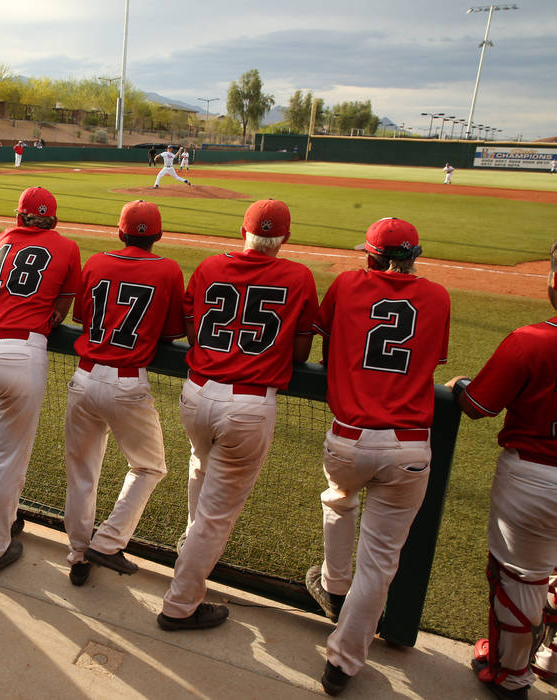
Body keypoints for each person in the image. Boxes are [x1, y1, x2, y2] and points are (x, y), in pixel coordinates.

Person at [157, 199, 318, 632]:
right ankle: (180, 606)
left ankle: (190, 548)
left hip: (196, 393)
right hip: (247, 405)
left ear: (242, 230)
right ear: (284, 237)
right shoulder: (299, 276)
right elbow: (302, 351)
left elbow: (193, 330)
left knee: (199, 467)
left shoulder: (209, 266)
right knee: (217, 515)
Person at [304, 217, 450, 696]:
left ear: (369, 256)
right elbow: (429, 360)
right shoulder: (438, 296)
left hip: (349, 439)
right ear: (415, 256)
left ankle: (334, 585)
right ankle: (342, 663)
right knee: (381, 562)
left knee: (338, 499)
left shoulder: (347, 284)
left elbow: (326, 349)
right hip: (409, 446)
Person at [448, 240, 557, 700]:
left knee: (520, 577)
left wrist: (458, 387)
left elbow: (477, 405)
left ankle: (511, 676)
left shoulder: (532, 340)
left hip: (534, 477)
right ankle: (551, 658)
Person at [0, 187, 82, 577]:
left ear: (19, 217)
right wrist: (50, 319)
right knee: (7, 459)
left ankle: (7, 518)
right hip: (19, 353)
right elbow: (64, 306)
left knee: (3, 451)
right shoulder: (66, 246)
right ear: (54, 220)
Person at [63, 200, 185, 586]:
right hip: (127, 383)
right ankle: (109, 541)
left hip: (83, 379)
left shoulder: (96, 261)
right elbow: (171, 333)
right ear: (159, 236)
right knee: (150, 467)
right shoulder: (168, 269)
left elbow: (80, 319)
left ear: (120, 232)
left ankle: (79, 556)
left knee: (81, 473)